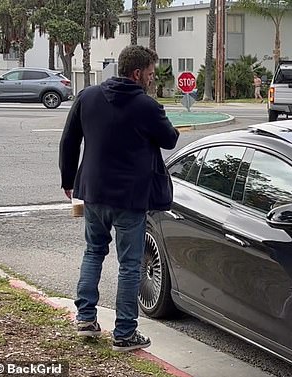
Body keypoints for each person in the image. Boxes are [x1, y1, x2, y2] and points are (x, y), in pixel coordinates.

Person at [58, 45, 180, 352]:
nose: (153, 79)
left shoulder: (88, 96)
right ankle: (125, 333)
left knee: (93, 252)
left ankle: (86, 320)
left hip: (94, 193)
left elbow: (69, 141)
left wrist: (68, 181)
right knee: (129, 265)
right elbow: (170, 139)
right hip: (131, 199)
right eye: (151, 74)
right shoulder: (146, 106)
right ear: (137, 73)